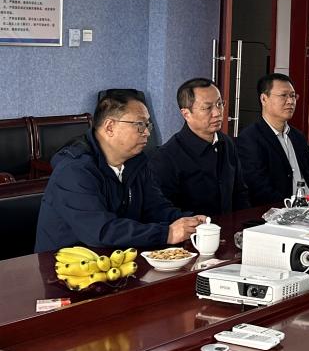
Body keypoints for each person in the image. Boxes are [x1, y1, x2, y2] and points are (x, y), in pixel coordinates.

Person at [35, 91, 205, 252]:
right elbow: (101, 231)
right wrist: (167, 233)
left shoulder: (137, 162)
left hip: (120, 258)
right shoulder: (74, 170)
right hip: (65, 266)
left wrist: (191, 222)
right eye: (140, 124)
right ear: (110, 127)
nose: (147, 132)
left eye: (147, 125)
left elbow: (156, 208)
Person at [149, 78, 250, 216]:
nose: (217, 113)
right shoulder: (166, 158)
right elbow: (164, 211)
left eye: (219, 104)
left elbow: (240, 193)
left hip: (230, 226)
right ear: (186, 114)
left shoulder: (227, 143)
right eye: (207, 108)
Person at [237, 73, 309, 206]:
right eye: (283, 95)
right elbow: (259, 189)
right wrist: (290, 209)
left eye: (293, 96)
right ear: (264, 99)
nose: (290, 101)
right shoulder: (250, 139)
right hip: (281, 211)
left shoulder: (297, 137)